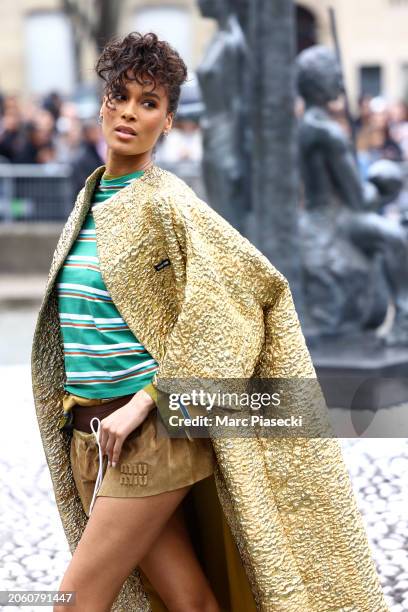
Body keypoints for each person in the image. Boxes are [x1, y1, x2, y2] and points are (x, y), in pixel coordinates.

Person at [32, 32, 388, 611]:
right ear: (101, 104)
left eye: (148, 103)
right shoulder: (91, 199)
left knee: (75, 601)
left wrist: (150, 399)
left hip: (147, 437)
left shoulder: (167, 202)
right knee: (190, 600)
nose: (128, 112)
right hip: (92, 435)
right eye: (119, 96)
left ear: (169, 120)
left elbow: (235, 300)